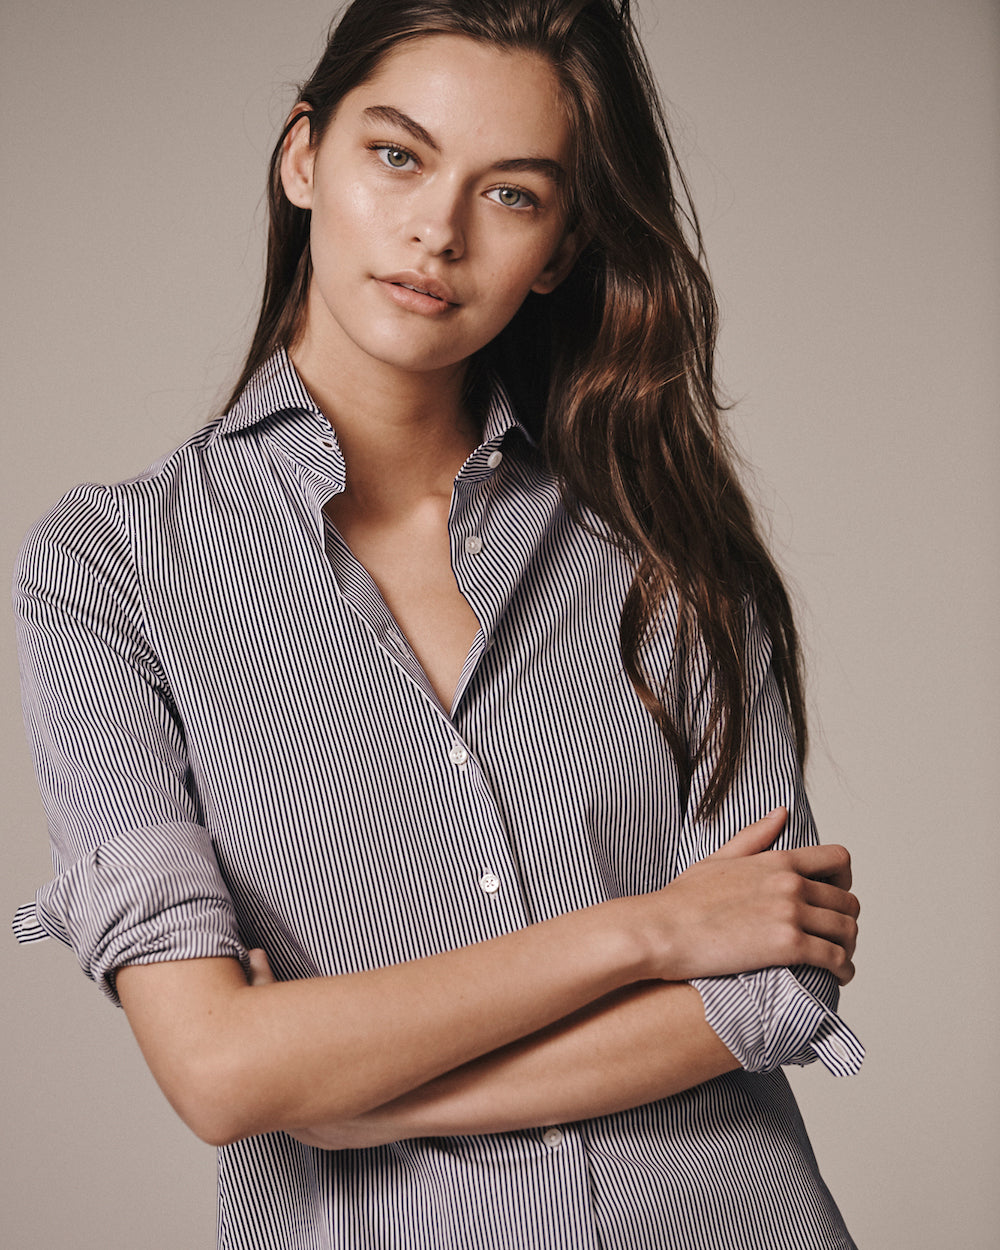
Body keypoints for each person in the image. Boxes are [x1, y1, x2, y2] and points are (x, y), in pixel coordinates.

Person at [12, 1, 863, 1246]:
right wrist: (647, 927)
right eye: (396, 156)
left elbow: (769, 979)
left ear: (561, 246)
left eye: (512, 194)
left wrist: (354, 1101)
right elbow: (220, 1069)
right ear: (304, 155)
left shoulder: (666, 548)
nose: (436, 231)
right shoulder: (110, 571)